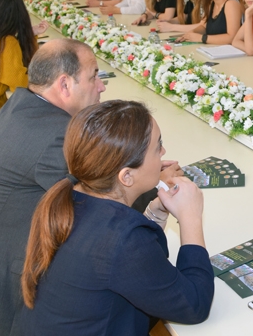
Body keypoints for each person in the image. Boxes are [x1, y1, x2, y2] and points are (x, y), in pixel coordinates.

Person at [0, 39, 113, 336]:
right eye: (94, 76)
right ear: (65, 84)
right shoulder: (55, 135)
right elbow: (98, 205)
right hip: (8, 281)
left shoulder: (21, 106)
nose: (102, 86)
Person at [20, 100, 214, 333]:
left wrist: (154, 213)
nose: (163, 152)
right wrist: (191, 218)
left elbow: (142, 274)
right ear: (127, 177)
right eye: (157, 146)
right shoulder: (122, 240)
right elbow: (194, 305)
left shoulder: (72, 198)